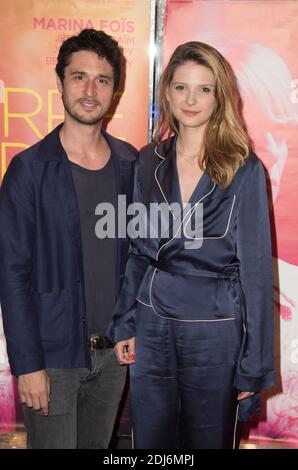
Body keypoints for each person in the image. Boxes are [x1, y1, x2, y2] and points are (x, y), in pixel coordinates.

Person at [107, 41, 275, 449]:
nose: (191, 99)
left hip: (214, 329)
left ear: (220, 96)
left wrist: (253, 366)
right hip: (153, 322)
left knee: (208, 441)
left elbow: (255, 274)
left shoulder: (244, 168)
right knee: (152, 441)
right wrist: (126, 321)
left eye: (204, 89)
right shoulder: (148, 161)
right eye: (181, 87)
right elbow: (138, 249)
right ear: (167, 92)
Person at [0, 28, 137, 449]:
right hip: (53, 359)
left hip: (113, 357)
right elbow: (12, 274)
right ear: (60, 83)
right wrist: (28, 366)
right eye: (79, 77)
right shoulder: (29, 170)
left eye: (102, 79)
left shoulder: (130, 163)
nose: (90, 90)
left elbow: (137, 258)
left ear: (115, 91)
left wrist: (129, 323)